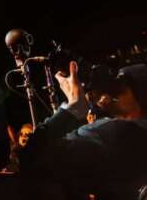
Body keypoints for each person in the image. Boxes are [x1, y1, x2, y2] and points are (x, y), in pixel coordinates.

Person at [20, 61, 147, 199]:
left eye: (120, 86)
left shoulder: (111, 134)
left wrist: (73, 107)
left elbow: (31, 157)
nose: (110, 89)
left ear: (140, 97)